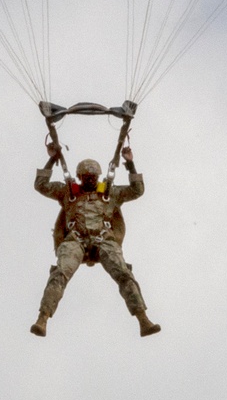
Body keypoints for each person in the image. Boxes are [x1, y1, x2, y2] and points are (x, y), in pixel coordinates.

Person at [30, 142, 161, 337]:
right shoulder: (68, 192)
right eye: (87, 177)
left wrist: (130, 164)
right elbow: (40, 186)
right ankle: (43, 318)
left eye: (94, 177)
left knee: (124, 274)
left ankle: (143, 320)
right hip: (75, 240)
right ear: (80, 177)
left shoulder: (110, 192)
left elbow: (137, 190)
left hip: (104, 240)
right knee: (60, 274)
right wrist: (52, 159)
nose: (91, 180)